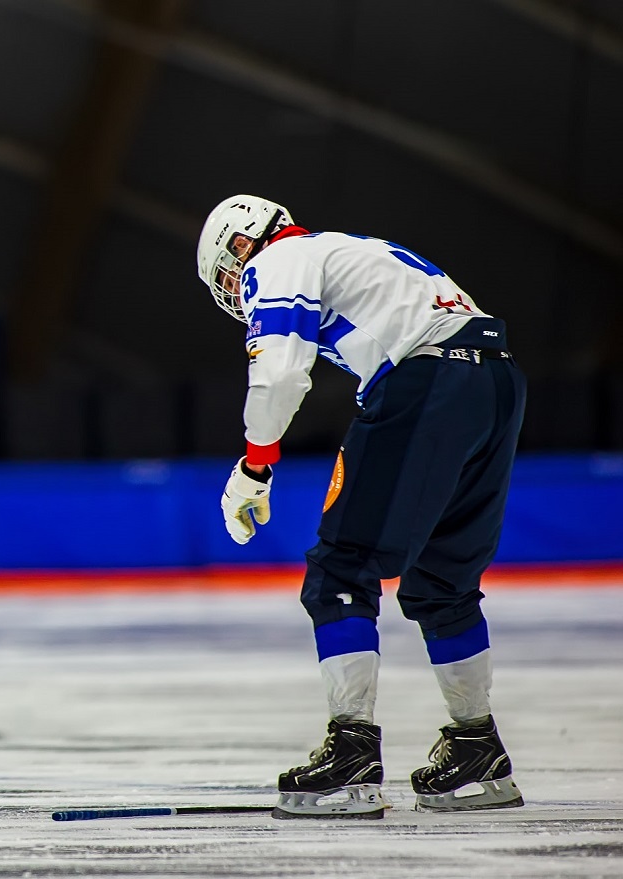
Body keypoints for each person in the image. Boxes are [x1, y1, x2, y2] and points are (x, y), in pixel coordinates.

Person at [196, 195, 526, 819]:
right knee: (441, 583)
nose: (236, 292)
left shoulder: (283, 258)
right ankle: (476, 749)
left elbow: (280, 374)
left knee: (341, 567)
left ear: (242, 244)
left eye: (228, 276)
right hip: (497, 379)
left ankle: (351, 754)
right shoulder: (356, 250)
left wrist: (254, 466)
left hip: (427, 378)